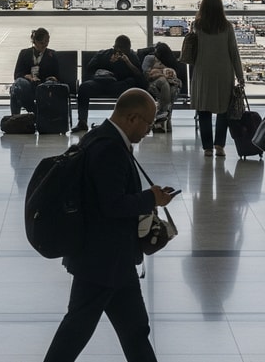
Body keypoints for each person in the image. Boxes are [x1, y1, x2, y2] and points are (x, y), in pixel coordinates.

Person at [43, 89, 171, 362]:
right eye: (148, 123)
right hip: (101, 261)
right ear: (132, 118)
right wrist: (150, 198)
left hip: (113, 259)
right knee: (76, 330)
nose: (148, 131)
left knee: (135, 331)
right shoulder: (109, 149)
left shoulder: (100, 137)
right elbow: (112, 205)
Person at [186, 0, 245, 158]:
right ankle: (219, 145)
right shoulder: (227, 27)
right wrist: (240, 75)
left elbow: (192, 50)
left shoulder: (197, 26)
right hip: (224, 73)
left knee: (203, 110)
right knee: (223, 110)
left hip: (203, 72)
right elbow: (234, 52)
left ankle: (207, 148)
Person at [73, 35, 144, 134]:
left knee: (131, 83)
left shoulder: (131, 56)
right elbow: (89, 68)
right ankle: (82, 121)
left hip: (118, 85)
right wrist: (108, 63)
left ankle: (126, 122)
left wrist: (127, 62)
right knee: (84, 88)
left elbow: (139, 75)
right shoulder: (103, 54)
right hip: (100, 83)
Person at [9, 27, 62, 116]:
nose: (45, 45)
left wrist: (53, 78)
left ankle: (31, 111)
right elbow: (17, 74)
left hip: (44, 84)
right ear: (35, 42)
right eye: (42, 43)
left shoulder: (52, 55)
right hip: (28, 85)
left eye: (47, 42)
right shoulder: (24, 53)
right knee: (19, 84)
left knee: (17, 91)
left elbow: (57, 74)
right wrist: (28, 77)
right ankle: (34, 111)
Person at [140, 45, 180, 127]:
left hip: (171, 82)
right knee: (163, 82)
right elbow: (147, 75)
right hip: (154, 83)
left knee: (173, 88)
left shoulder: (169, 61)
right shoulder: (149, 58)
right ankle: (165, 115)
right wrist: (162, 74)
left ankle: (163, 116)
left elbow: (174, 75)